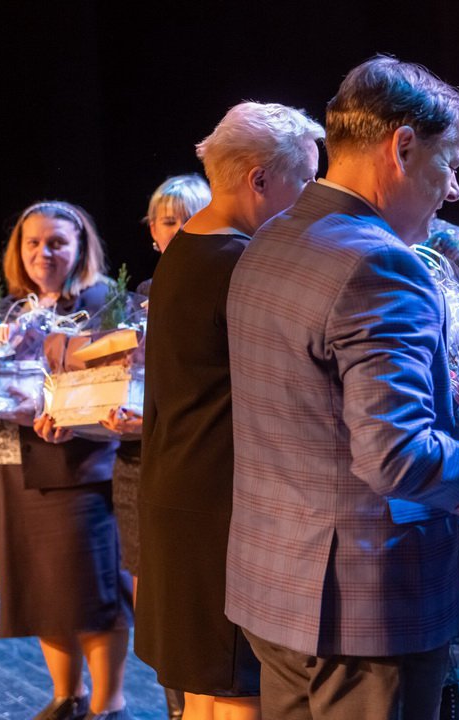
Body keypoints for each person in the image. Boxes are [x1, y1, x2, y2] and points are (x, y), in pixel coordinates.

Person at [225, 55, 459, 720]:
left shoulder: (271, 239)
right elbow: (394, 455)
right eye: (450, 164)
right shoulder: (382, 264)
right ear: (403, 147)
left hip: (274, 590)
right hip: (365, 611)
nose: (455, 191)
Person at [135, 102, 324, 720]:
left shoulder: (186, 250)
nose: (313, 198)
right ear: (259, 179)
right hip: (221, 505)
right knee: (239, 695)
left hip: (180, 492)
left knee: (205, 693)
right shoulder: (243, 264)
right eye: (306, 181)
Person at [0, 200, 133, 720]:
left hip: (78, 468)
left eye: (56, 242)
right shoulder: (5, 310)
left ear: (81, 247)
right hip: (13, 467)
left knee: (91, 592)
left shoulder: (103, 302)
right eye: (33, 242)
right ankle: (66, 696)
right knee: (41, 591)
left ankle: (108, 705)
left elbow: (118, 380)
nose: (43, 252)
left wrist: (70, 411)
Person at [101, 172, 210, 720]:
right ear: (151, 230)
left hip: (197, 464)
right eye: (169, 219)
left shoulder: (228, 285)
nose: (181, 228)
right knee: (156, 604)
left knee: (197, 603)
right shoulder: (135, 301)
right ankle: (177, 708)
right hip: (137, 465)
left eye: (193, 216)